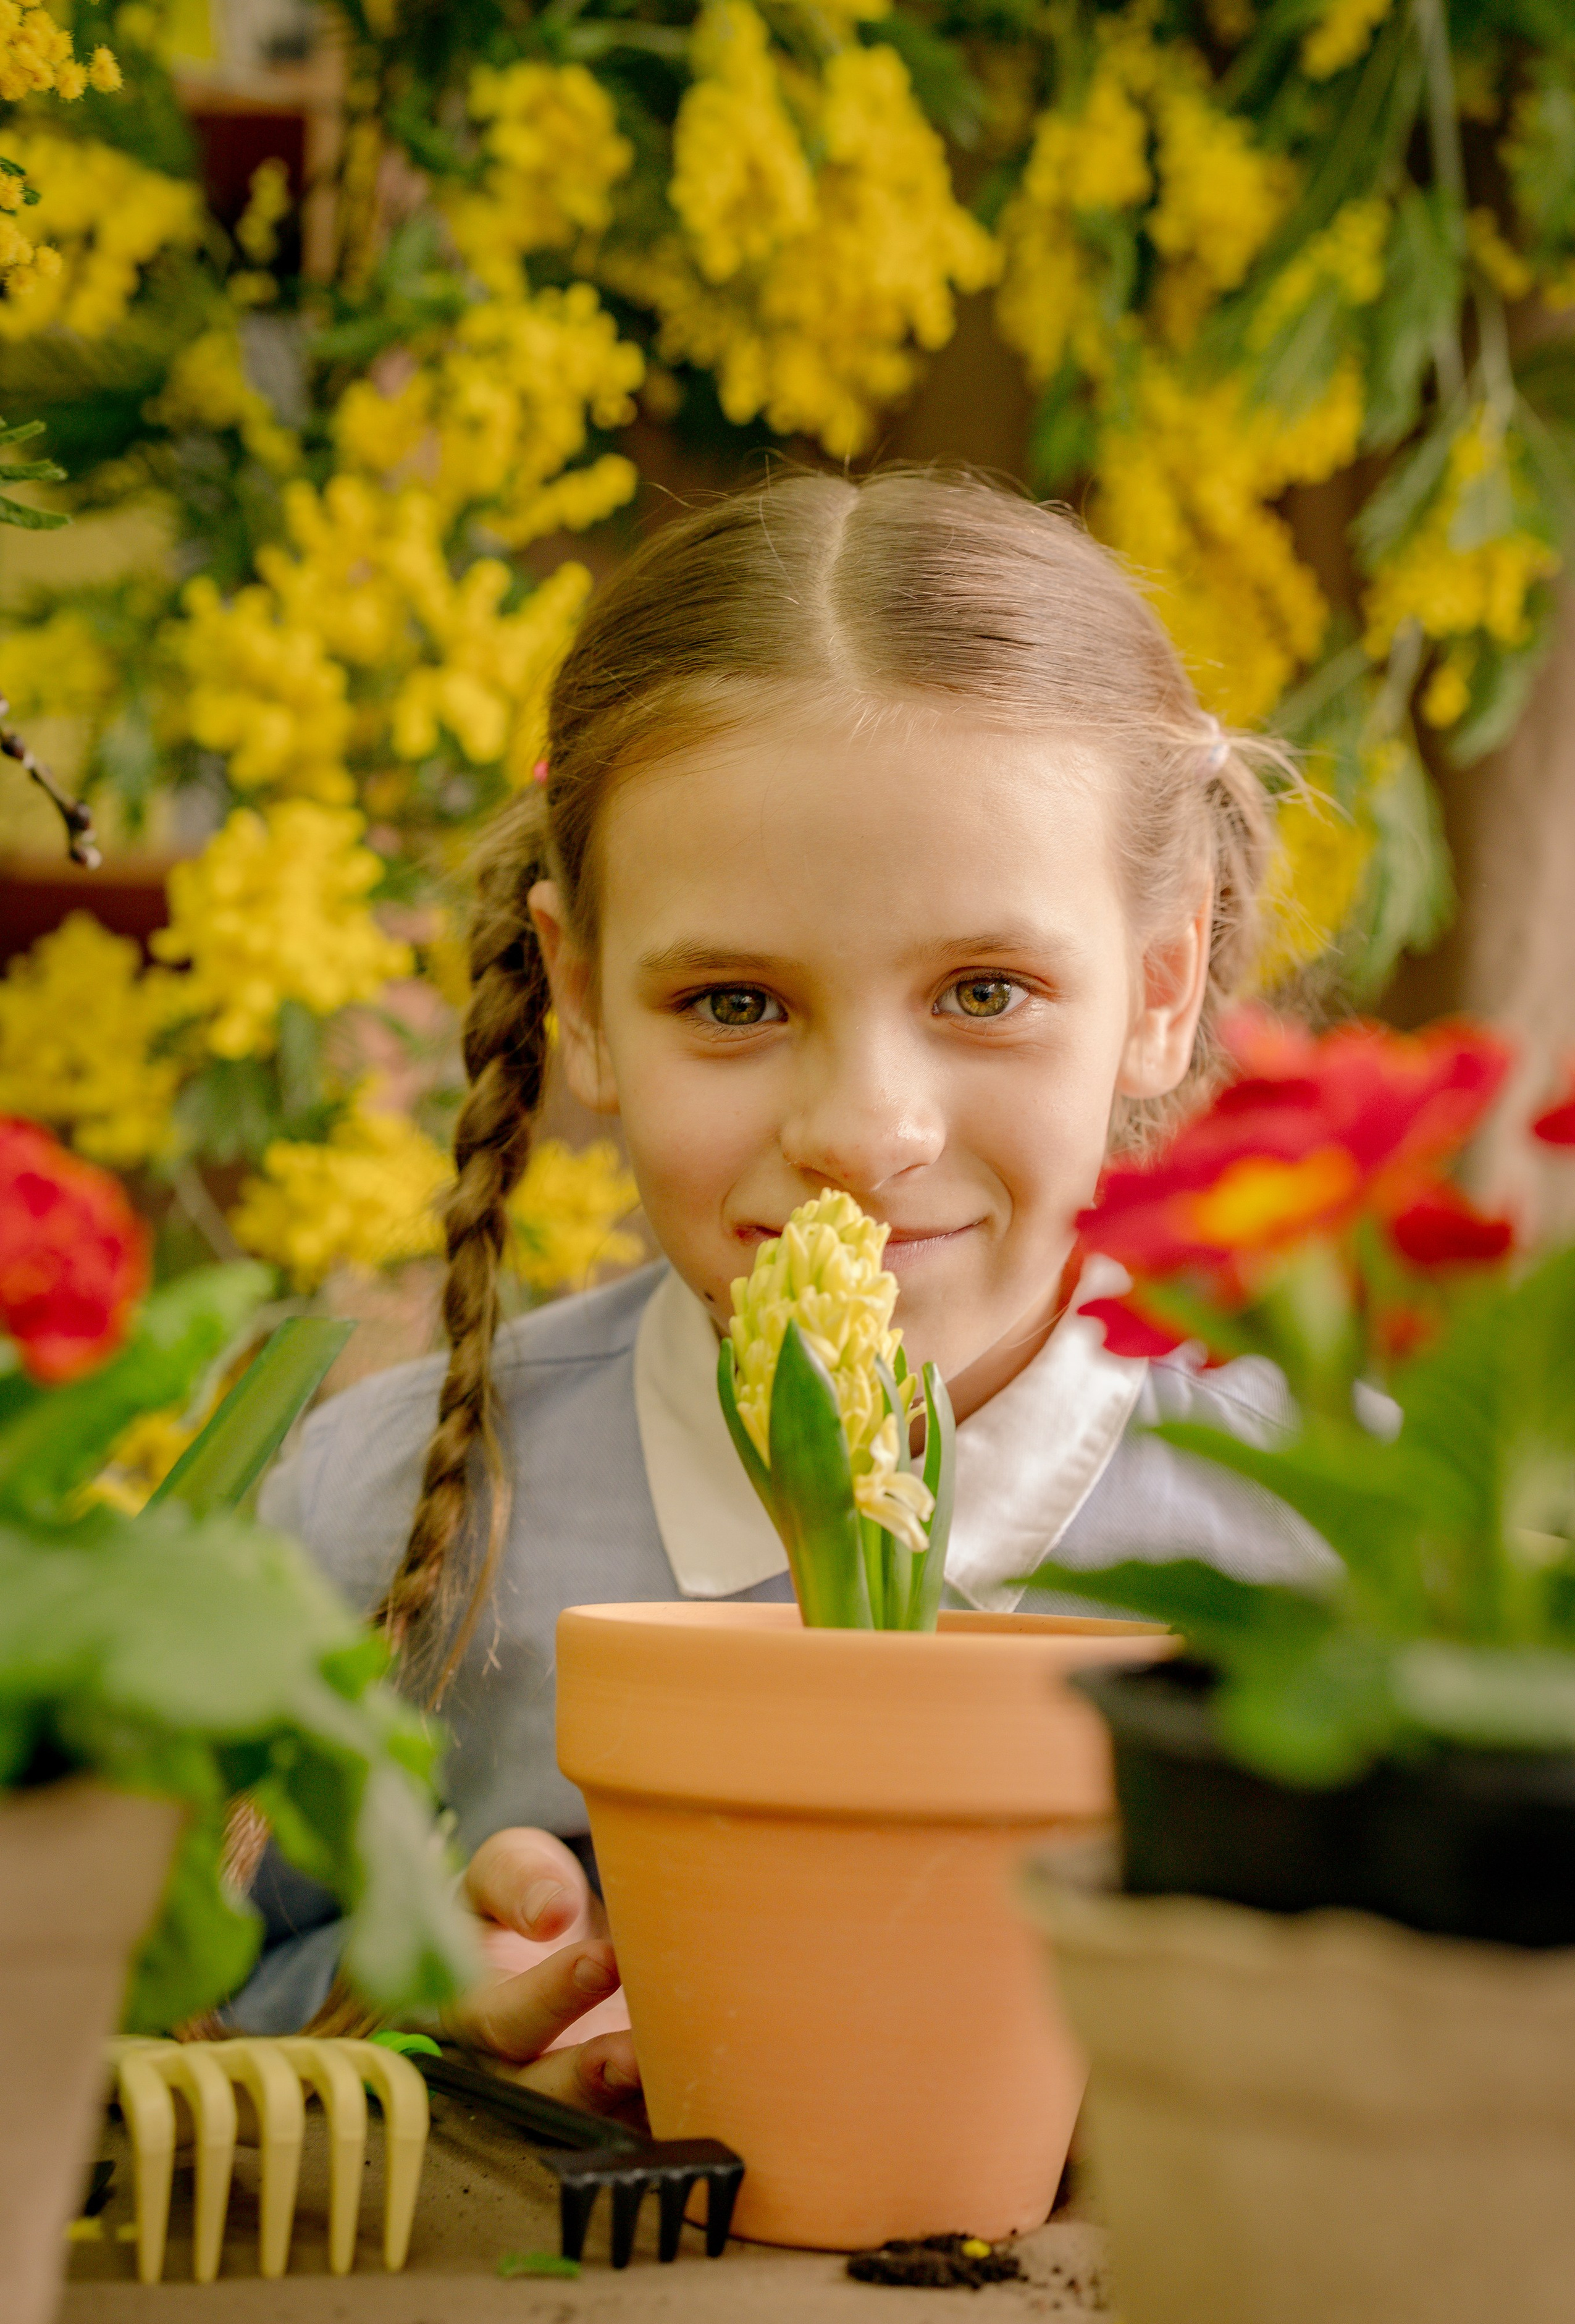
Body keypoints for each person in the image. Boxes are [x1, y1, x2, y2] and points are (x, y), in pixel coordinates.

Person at [232, 466, 1325, 2094]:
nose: (863, 1136)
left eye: (986, 989)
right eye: (737, 1006)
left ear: (1158, 991)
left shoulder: (1331, 1522)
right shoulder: (389, 1508)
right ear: (584, 1001)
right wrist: (407, 2008)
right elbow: (210, 2009)